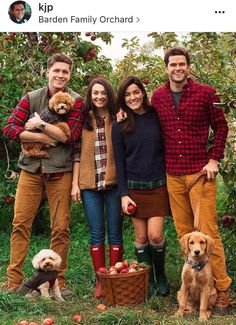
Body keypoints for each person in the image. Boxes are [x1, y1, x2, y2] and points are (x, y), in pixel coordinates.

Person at [151, 47, 231, 314]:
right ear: (166, 68)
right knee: (185, 235)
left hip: (200, 173)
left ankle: (221, 291)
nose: (177, 68)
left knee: (209, 234)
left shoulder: (206, 93)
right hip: (173, 174)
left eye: (182, 64)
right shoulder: (158, 97)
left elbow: (221, 126)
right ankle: (192, 289)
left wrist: (214, 159)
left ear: (188, 66)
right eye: (173, 64)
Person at [2, 53, 85, 297]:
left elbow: (70, 137)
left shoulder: (76, 101)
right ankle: (14, 281)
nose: (60, 75)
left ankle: (58, 281)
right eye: (56, 70)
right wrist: (42, 138)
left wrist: (37, 125)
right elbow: (10, 128)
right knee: (20, 224)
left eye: (65, 72)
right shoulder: (31, 98)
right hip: (30, 169)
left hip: (60, 171)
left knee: (61, 228)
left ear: (70, 75)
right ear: (47, 72)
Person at [112, 76, 170, 297]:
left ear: (143, 93)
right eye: (127, 94)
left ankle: (161, 276)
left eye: (136, 92)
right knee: (141, 238)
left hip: (157, 185)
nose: (132, 97)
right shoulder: (120, 124)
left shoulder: (155, 116)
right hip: (134, 188)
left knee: (155, 236)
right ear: (123, 98)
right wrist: (123, 194)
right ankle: (146, 280)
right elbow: (119, 161)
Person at [71, 78, 123, 299]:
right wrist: (75, 184)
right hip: (89, 184)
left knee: (115, 232)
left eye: (103, 93)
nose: (99, 97)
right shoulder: (84, 119)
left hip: (113, 184)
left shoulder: (118, 117)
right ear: (90, 96)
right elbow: (76, 154)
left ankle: (115, 277)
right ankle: (101, 279)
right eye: (95, 93)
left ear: (109, 95)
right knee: (96, 233)